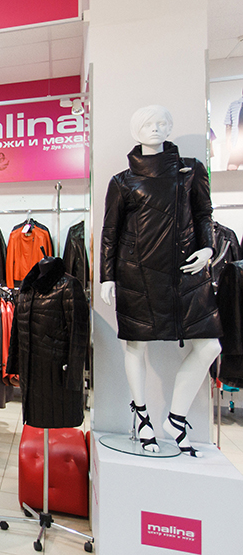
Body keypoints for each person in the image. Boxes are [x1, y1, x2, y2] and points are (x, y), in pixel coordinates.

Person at [100, 105, 221, 457]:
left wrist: (208, 248)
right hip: (136, 274)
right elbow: (110, 232)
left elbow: (204, 213)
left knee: (210, 346)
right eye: (148, 124)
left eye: (162, 123)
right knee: (135, 346)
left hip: (187, 271)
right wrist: (107, 276)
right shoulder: (122, 181)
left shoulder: (191, 170)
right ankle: (142, 416)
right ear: (136, 130)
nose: (156, 128)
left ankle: (176, 418)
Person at [224, 88, 243, 170]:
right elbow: (228, 124)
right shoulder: (234, 105)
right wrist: (228, 140)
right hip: (237, 143)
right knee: (231, 168)